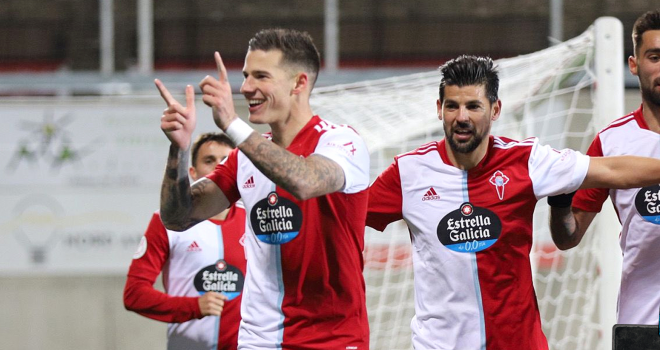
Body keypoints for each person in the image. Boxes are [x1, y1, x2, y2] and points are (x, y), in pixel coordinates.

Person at [366, 54, 660, 350]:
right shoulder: (407, 173)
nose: (462, 117)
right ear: (439, 109)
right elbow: (347, 216)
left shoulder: (527, 160)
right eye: (452, 106)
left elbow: (611, 170)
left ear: (495, 110)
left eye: (473, 106)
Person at [154, 29, 370, 349]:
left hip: (332, 339)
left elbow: (305, 181)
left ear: (299, 83)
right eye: (245, 76)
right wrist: (180, 149)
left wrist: (232, 124)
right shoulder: (245, 156)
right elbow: (178, 217)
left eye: (261, 76)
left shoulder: (341, 141)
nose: (246, 88)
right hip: (260, 339)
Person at [548, 9, 660, 325]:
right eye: (655, 57)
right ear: (634, 65)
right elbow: (568, 237)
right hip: (641, 323)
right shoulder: (610, 143)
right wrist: (559, 202)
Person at [123, 132, 246, 350]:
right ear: (192, 172)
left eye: (226, 161)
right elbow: (134, 294)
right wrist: (194, 306)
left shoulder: (255, 223)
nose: (218, 167)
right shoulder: (167, 222)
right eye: (209, 161)